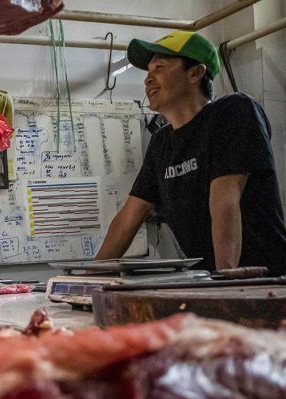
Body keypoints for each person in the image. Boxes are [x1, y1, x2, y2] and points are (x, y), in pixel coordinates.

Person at [96, 31, 286, 275]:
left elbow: (225, 200)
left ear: (195, 73)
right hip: (210, 282)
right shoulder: (161, 143)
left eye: (160, 68)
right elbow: (129, 217)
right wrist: (88, 280)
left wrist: (225, 281)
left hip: (264, 283)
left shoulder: (233, 111)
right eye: (148, 71)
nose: (148, 79)